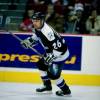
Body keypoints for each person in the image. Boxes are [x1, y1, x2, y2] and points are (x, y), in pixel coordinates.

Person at [21, 12, 71, 96]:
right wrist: (30, 41)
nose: (34, 23)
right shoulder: (39, 27)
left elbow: (61, 48)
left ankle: (66, 91)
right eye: (33, 21)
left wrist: (52, 56)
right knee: (41, 65)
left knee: (53, 76)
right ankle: (47, 86)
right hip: (51, 53)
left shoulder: (48, 32)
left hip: (60, 55)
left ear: (42, 20)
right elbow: (37, 36)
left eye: (37, 21)